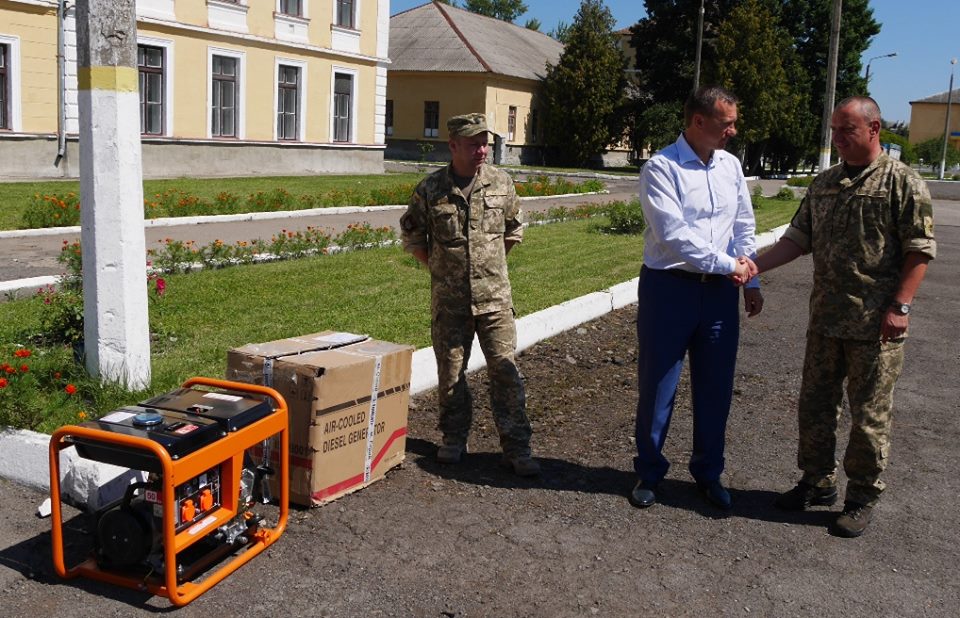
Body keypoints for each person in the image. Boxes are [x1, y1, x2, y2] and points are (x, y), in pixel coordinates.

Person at [751, 96, 936, 537]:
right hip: (826, 321)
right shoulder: (825, 183)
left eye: (846, 130)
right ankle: (816, 482)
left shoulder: (901, 183)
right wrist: (754, 266)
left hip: (875, 325)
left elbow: (919, 249)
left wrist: (901, 306)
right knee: (815, 406)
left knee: (869, 416)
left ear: (873, 129)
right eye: (834, 130)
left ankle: (861, 497)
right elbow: (798, 239)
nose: (837, 139)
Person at [630, 86, 762, 511]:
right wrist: (729, 266)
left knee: (716, 387)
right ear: (698, 122)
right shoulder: (661, 168)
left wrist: (751, 279)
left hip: (721, 294)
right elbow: (674, 236)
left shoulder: (730, 166)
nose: (733, 131)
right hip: (670, 289)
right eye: (727, 124)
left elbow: (743, 222)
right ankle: (649, 473)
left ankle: (709, 473)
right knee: (658, 386)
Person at [399, 113, 538, 477]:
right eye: (475, 143)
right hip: (450, 302)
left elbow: (513, 229)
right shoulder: (430, 189)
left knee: (505, 371)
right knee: (451, 373)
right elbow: (413, 237)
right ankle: (453, 439)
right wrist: (442, 271)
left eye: (485, 142)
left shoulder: (501, 183)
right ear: (454, 145)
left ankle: (517, 447)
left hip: (494, 301)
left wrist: (489, 268)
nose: (482, 149)